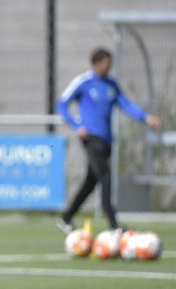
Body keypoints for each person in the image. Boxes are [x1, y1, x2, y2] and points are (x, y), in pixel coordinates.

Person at [55, 47, 162, 234]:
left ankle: (66, 218)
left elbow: (126, 104)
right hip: (90, 139)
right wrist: (76, 125)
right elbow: (61, 104)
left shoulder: (111, 84)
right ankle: (114, 225)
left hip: (106, 141)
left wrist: (145, 117)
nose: (109, 67)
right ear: (97, 63)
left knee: (90, 182)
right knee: (105, 176)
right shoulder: (84, 82)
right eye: (106, 64)